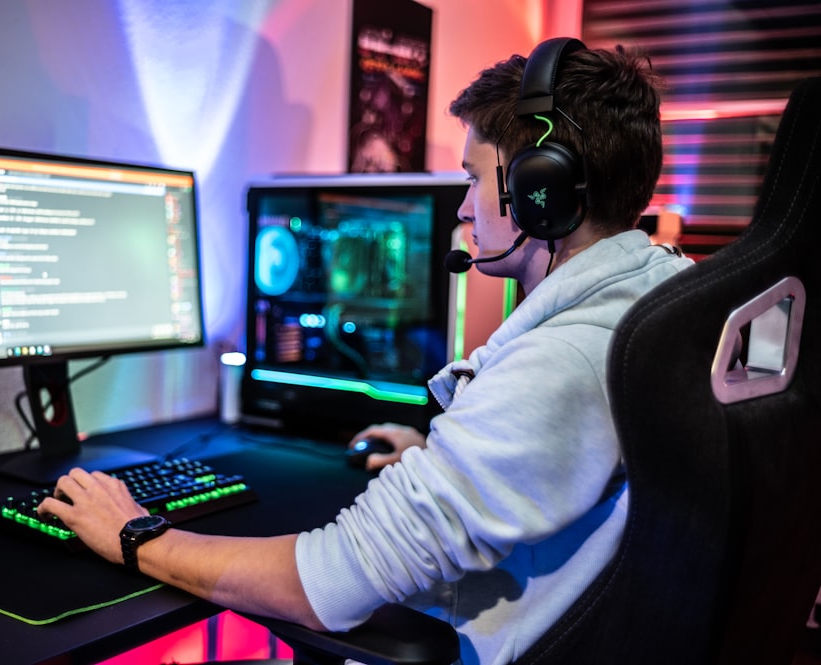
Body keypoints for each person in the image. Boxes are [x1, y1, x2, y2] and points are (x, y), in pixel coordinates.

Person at [39, 38, 693, 664]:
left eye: (474, 178)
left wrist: (134, 534)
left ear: (540, 191)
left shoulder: (559, 364)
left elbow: (319, 588)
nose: (465, 206)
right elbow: (556, 457)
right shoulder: (668, 294)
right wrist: (454, 466)